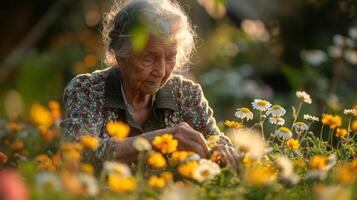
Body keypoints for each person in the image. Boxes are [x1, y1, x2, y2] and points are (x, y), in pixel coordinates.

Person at [60, 0, 238, 170]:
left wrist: (220, 153)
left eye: (170, 58)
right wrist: (163, 138)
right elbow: (79, 152)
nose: (161, 71)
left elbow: (218, 143)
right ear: (121, 57)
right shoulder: (88, 90)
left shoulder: (186, 94)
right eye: (149, 58)